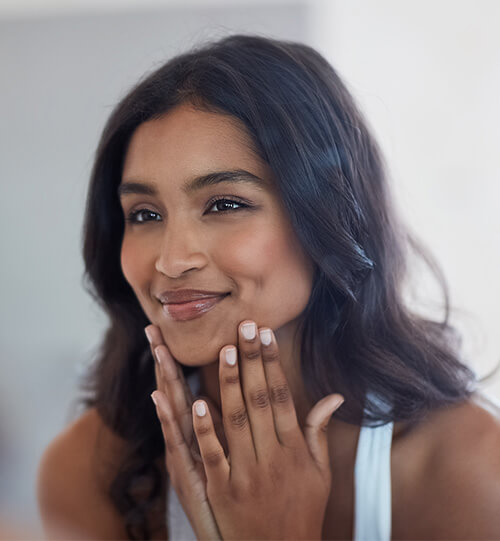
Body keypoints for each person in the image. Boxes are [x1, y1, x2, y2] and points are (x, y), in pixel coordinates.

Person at [36, 34, 500, 540]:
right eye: (145, 214)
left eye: (225, 204)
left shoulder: (464, 467)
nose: (171, 260)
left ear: (327, 216)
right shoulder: (88, 470)